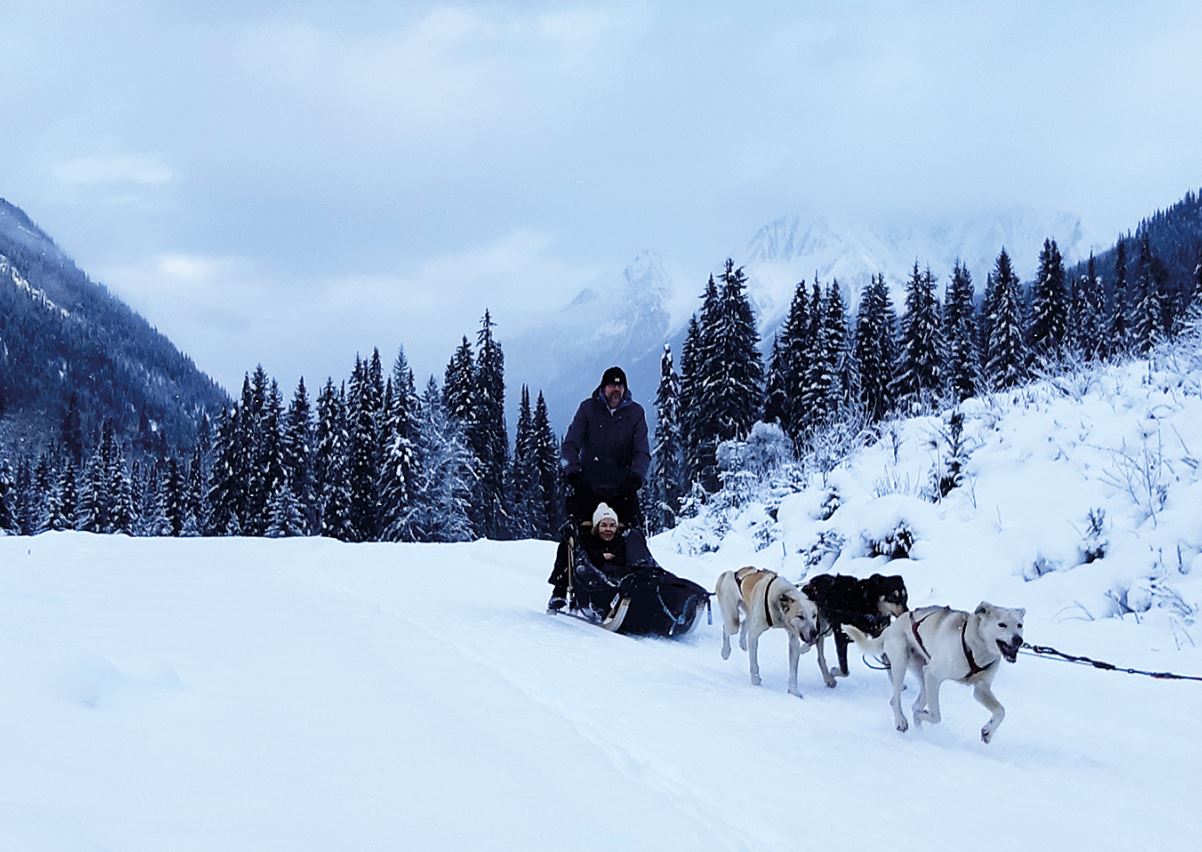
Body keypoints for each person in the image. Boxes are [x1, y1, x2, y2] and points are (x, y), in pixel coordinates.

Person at [560, 365, 650, 527]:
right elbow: (570, 445)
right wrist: (573, 473)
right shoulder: (588, 409)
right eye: (611, 386)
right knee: (575, 537)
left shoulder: (635, 413)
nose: (616, 390)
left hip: (622, 490)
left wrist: (636, 477)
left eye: (620, 386)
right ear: (603, 388)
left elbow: (642, 451)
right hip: (588, 488)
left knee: (632, 539)